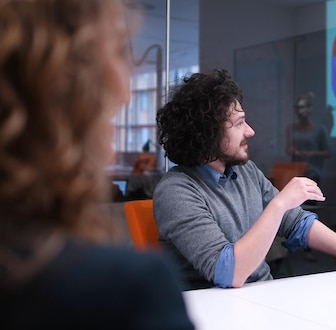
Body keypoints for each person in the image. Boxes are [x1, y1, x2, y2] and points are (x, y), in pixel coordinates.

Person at [0, 1, 194, 329]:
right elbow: (226, 266)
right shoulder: (125, 290)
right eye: (117, 51)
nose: (125, 90)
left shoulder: (248, 177)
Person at [154, 69, 336, 290]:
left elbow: (297, 224)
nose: (250, 131)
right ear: (206, 134)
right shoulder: (176, 191)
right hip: (215, 311)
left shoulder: (245, 172)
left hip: (260, 298)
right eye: (238, 124)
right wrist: (279, 205)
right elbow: (229, 273)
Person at [286, 92, 331, 185]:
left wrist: (312, 153)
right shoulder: (291, 128)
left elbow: (328, 152)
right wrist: (292, 150)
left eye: (302, 107)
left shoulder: (319, 129)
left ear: (309, 108)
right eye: (297, 108)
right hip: (295, 172)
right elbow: (288, 148)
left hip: (313, 172)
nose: (299, 111)